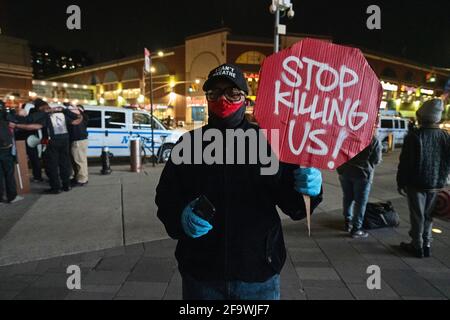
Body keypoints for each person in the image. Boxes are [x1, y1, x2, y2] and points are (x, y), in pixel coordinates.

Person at [156, 64, 323, 300]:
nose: (223, 99)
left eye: (232, 93)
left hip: (258, 272)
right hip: (202, 273)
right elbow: (166, 197)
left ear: (245, 99)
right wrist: (180, 218)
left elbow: (295, 207)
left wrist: (309, 191)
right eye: (214, 93)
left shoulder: (269, 143)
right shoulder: (188, 145)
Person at [397, 99, 450, 258]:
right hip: (437, 183)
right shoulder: (445, 136)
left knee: (417, 215)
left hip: (417, 182)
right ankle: (427, 243)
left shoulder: (415, 136)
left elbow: (406, 163)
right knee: (429, 215)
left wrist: (401, 181)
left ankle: (416, 245)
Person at [11, 99, 82, 194]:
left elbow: (35, 126)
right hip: (65, 141)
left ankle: (55, 188)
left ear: (40, 107)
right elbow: (75, 122)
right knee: (64, 164)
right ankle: (66, 185)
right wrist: (80, 116)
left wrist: (17, 126)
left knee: (51, 165)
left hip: (51, 142)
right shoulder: (61, 113)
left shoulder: (45, 115)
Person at [337, 133, 382, 238]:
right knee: (360, 202)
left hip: (345, 171)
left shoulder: (348, 134)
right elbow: (376, 159)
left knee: (347, 197)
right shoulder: (373, 139)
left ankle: (347, 221)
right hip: (363, 174)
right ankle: (356, 228)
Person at [0, 100, 23, 204]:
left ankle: (0, 198)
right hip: (5, 146)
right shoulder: (5, 115)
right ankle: (12, 196)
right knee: (9, 172)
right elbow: (15, 120)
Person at [14, 103, 43, 183]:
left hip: (20, 142)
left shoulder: (16, 122)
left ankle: (23, 179)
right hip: (31, 142)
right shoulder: (31, 120)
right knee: (35, 159)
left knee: (22, 161)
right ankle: (37, 177)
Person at [67, 104, 89, 187]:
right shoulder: (82, 116)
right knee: (79, 160)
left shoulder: (77, 117)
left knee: (79, 161)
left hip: (78, 141)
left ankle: (82, 179)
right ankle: (78, 177)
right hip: (81, 140)